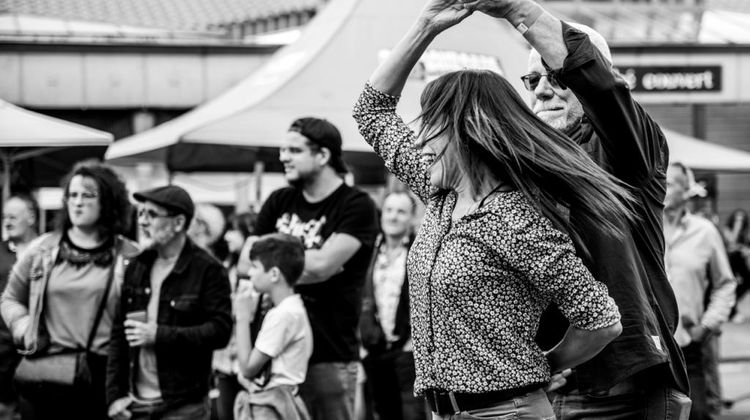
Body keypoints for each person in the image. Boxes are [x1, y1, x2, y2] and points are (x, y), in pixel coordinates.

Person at [352, 1, 633, 417]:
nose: (418, 141)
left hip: (507, 411)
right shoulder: (440, 196)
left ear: (465, 133)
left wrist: (539, 367)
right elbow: (371, 112)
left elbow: (602, 320)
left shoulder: (517, 218)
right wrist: (426, 26)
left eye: (429, 126)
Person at [468, 0, 692, 417]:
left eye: (558, 77)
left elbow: (603, 92)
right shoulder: (523, 167)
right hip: (535, 390)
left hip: (616, 391)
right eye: (532, 79)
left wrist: (516, 9)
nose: (542, 90)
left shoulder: (626, 153)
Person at [241, 117, 379, 420]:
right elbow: (244, 261)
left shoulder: (356, 205)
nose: (283, 157)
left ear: (323, 156)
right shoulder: (279, 200)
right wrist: (306, 259)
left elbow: (322, 266)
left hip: (328, 354)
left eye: (293, 150)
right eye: (282, 149)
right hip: (272, 352)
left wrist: (273, 260)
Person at [1, 163, 138, 420]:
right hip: (47, 373)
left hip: (104, 379)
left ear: (108, 201)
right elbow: (10, 298)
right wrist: (23, 327)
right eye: (72, 195)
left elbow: (143, 318)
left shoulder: (130, 255)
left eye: (88, 195)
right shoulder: (43, 249)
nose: (77, 203)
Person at [106, 185, 232, 420]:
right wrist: (114, 396)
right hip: (134, 403)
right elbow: (119, 335)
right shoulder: (137, 266)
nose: (142, 221)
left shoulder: (208, 269)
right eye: (140, 213)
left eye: (152, 215)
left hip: (182, 404)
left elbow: (220, 332)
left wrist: (160, 335)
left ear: (178, 223)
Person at [664, 162, 736, 420]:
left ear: (687, 191)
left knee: (697, 414)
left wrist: (707, 325)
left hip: (689, 348)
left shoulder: (704, 232)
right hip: (650, 350)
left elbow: (725, 284)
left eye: (670, 183)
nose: (661, 186)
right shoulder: (644, 229)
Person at [359, 191, 426, 420]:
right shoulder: (370, 252)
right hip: (375, 350)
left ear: (412, 218)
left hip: (407, 351)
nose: (393, 217)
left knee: (412, 414)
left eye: (401, 211)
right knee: (382, 413)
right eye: (388, 210)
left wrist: (413, 343)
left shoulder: (420, 252)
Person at [233, 233, 313, 420]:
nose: (250, 273)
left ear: (274, 274)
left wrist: (242, 317)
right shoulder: (292, 309)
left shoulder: (284, 314)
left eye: (255, 266)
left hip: (270, 407)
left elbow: (248, 368)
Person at [213, 211, 258, 420]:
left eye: (233, 230)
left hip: (248, 363)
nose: (227, 236)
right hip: (224, 361)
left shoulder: (260, 276)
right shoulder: (226, 268)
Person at [0, 194, 39, 420]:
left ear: (31, 217)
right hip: (3, 346)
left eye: (13, 217)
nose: (7, 222)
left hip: (39, 345)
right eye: (4, 217)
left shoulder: (47, 250)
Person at [722, 208, 750, 322]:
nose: (740, 220)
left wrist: (745, 250)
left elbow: (747, 247)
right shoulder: (727, 229)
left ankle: (732, 306)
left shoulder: (746, 231)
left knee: (747, 281)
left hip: (741, 260)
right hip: (730, 260)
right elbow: (732, 243)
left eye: (742, 219)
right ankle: (731, 312)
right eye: (737, 218)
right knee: (730, 285)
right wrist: (737, 227)